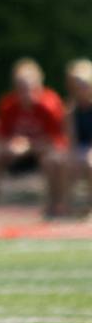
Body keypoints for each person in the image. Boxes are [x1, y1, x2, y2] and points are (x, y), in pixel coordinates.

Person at [0, 58, 68, 221]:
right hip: (15, 155)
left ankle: (55, 207)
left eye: (29, 87)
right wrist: (10, 146)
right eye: (21, 87)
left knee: (52, 161)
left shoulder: (50, 104)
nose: (26, 93)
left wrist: (29, 147)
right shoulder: (8, 105)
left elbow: (56, 141)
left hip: (40, 154)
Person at [65, 59, 92, 218]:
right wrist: (72, 156)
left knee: (90, 163)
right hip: (80, 149)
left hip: (89, 151)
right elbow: (72, 140)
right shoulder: (71, 111)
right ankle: (64, 206)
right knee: (64, 163)